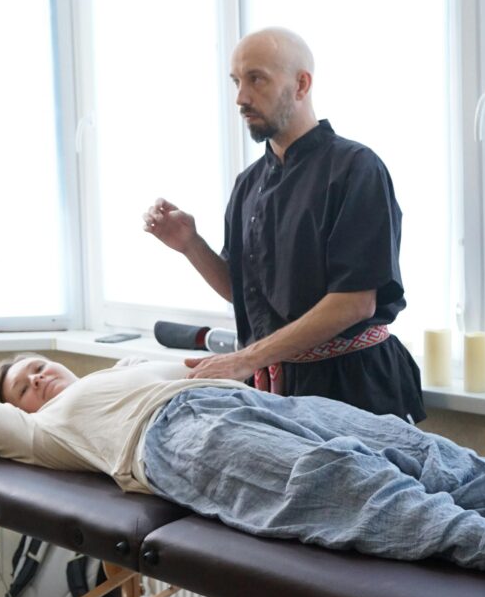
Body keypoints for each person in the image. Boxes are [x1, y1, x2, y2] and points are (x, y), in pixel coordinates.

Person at [0, 354, 485, 587]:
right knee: (345, 482)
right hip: (170, 438)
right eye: (20, 385)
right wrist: (0, 396)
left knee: (420, 450)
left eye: (38, 366)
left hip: (240, 399)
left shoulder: (125, 364)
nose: (35, 378)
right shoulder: (45, 432)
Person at [143, 27, 425, 424]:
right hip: (275, 387)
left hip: (355, 389)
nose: (241, 97)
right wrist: (191, 244)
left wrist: (245, 359)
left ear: (301, 84)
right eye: (237, 82)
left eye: (256, 79)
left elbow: (355, 301)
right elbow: (246, 293)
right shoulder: (248, 184)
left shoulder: (356, 169)